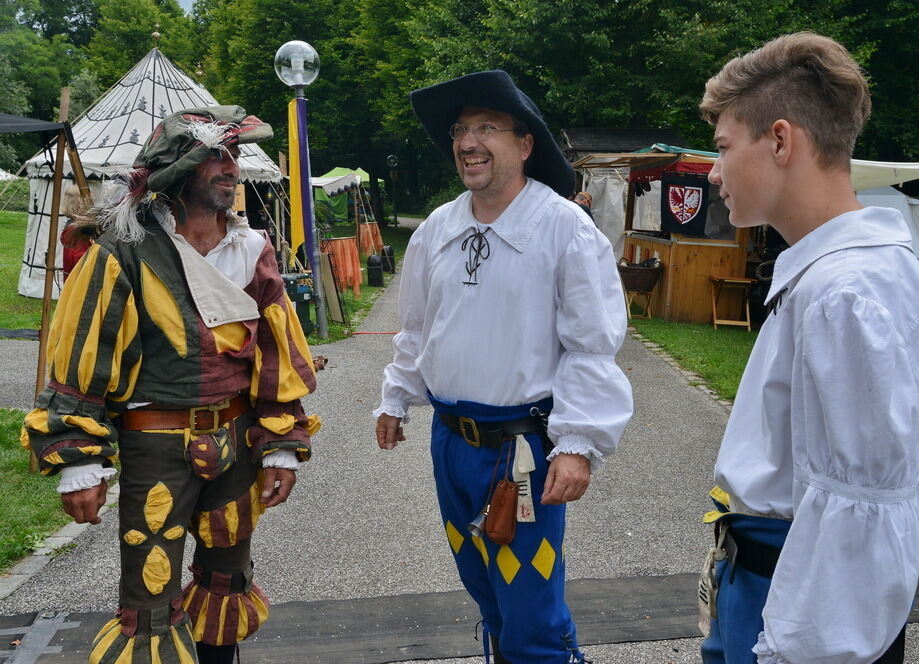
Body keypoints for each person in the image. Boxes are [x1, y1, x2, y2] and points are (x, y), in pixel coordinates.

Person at [22, 106, 320, 664]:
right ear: (179, 172)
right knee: (149, 597)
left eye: (233, 157)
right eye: (216, 157)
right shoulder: (122, 250)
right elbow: (84, 355)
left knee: (226, 581)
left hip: (235, 441)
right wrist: (78, 460)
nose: (230, 169)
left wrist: (281, 445)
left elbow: (276, 355)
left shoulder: (253, 249)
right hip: (155, 446)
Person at [374, 70, 633, 663]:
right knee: (486, 591)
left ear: (525, 144)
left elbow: (591, 347)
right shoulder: (438, 228)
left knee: (531, 609)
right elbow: (418, 327)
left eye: (487, 127)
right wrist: (396, 397)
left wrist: (576, 443)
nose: (468, 141)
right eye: (462, 129)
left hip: (521, 453)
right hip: (451, 444)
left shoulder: (565, 229)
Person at [697, 33, 919, 663]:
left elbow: (863, 507)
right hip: (769, 583)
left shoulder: (845, 290)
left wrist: (794, 650)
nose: (714, 173)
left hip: (794, 608)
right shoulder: (841, 275)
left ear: (781, 141)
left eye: (722, 148)